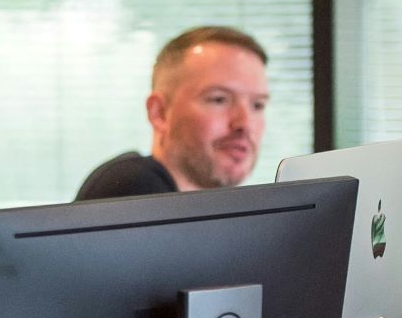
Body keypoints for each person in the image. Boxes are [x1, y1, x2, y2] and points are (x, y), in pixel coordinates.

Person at [76, 26, 270, 201]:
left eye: (258, 105)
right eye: (219, 99)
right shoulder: (132, 189)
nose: (245, 123)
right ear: (159, 113)